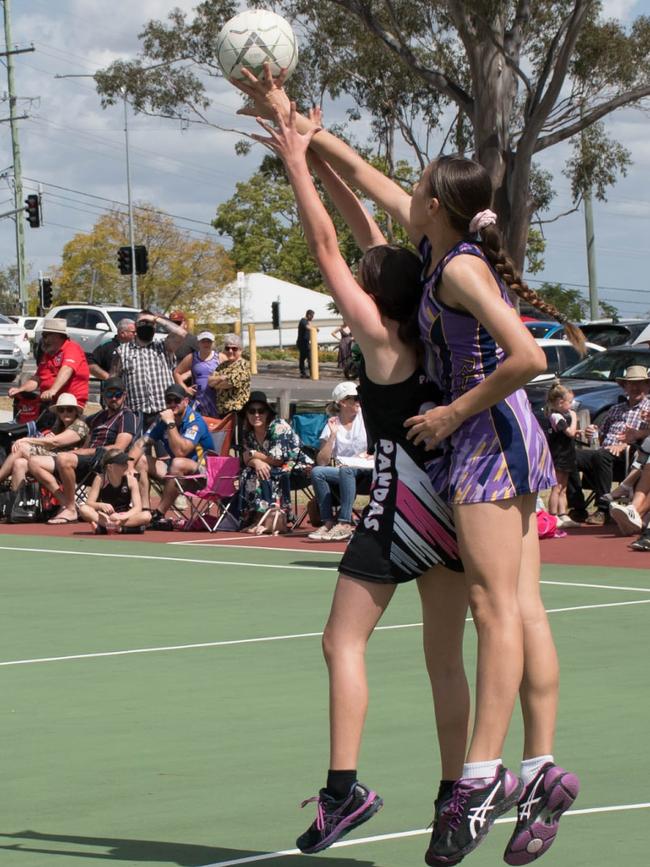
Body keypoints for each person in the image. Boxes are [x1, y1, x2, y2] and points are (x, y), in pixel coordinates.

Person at [240, 71, 581, 864]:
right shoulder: (432, 258)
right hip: (487, 443)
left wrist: (455, 413)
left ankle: (477, 777)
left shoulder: (444, 276)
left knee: (497, 612)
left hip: (473, 442)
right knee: (516, 611)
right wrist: (295, 127)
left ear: (437, 203)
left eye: (420, 182)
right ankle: (534, 764)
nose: (410, 185)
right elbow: (359, 192)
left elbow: (339, 238)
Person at [251, 104, 469, 854]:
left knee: (342, 644)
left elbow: (326, 245)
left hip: (401, 503)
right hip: (453, 502)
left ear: (373, 298)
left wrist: (292, 163)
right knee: (445, 660)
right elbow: (366, 237)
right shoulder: (427, 318)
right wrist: (315, 154)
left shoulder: (380, 345)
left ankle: (344, 793)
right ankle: (453, 796)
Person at [31, 377, 137, 525]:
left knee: (64, 458)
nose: (113, 398)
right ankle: (70, 504)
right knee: (34, 462)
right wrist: (55, 433)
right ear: (103, 396)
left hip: (103, 463)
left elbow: (119, 447)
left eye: (117, 395)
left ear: (124, 395)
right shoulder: (98, 417)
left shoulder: (126, 416)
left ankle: (69, 508)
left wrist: (81, 452)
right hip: (85, 462)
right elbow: (79, 431)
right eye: (109, 395)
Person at [568, 365, 650, 525]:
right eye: (631, 383)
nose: (635, 387)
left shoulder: (649, 408)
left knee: (601, 455)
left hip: (632, 455)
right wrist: (593, 432)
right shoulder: (615, 409)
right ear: (624, 386)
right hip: (604, 450)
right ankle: (578, 507)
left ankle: (603, 509)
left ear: (647, 386)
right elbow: (601, 434)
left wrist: (627, 443)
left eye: (640, 383)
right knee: (570, 455)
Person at [128, 383, 213, 524]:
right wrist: (129, 466)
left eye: (177, 400)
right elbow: (141, 443)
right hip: (175, 473)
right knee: (141, 460)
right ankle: (145, 512)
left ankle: (159, 513)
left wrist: (170, 423)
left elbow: (181, 452)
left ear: (186, 401)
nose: (172, 404)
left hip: (202, 475)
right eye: (169, 401)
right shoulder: (162, 420)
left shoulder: (195, 421)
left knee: (177, 462)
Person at [308, 381, 373, 542]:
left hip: (369, 472)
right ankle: (329, 522)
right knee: (318, 472)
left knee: (346, 470)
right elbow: (322, 462)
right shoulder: (332, 424)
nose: (359, 401)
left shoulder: (367, 417)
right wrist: (332, 436)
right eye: (355, 398)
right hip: (346, 473)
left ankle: (344, 523)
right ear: (343, 402)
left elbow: (381, 444)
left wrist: (370, 453)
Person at [239, 390, 310, 530]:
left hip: (296, 467)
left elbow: (278, 460)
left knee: (264, 472)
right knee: (249, 471)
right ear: (247, 415)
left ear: (268, 413)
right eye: (252, 411)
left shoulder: (278, 426)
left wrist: (254, 455)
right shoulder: (248, 433)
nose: (256, 415)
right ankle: (256, 518)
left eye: (261, 411)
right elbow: (246, 458)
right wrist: (256, 462)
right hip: (271, 468)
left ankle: (265, 520)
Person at [111, 310, 186, 431]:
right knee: (138, 449)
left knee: (165, 450)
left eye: (150, 323)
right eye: (142, 323)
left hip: (163, 411)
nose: (146, 326)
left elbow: (181, 333)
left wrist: (156, 319)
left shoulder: (164, 346)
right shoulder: (122, 351)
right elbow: (113, 380)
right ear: (135, 327)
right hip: (135, 413)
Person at [0, 393, 89, 496]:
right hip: (53, 460)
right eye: (61, 410)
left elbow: (56, 441)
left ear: (76, 412)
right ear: (58, 413)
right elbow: (49, 443)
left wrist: (26, 440)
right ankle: (19, 506)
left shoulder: (80, 425)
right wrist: (46, 438)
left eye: (69, 409)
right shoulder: (58, 426)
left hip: (69, 463)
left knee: (22, 447)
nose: (65, 413)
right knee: (19, 464)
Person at [10, 318, 90, 410]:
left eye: (46, 335)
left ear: (59, 336)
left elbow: (67, 369)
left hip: (70, 405)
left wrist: (53, 390)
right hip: (51, 404)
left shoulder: (71, 348)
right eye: (43, 336)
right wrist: (21, 390)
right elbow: (37, 379)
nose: (44, 339)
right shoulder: (48, 355)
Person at [78, 449, 150, 534]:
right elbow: (89, 503)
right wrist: (100, 505)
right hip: (105, 517)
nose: (126, 465)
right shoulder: (100, 479)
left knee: (146, 516)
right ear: (110, 467)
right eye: (122, 463)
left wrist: (121, 517)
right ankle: (120, 529)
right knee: (83, 509)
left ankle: (107, 527)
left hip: (123, 516)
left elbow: (137, 508)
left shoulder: (132, 481)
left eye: (126, 463)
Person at [543, 382, 580, 529]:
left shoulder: (563, 417)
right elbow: (569, 432)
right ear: (560, 402)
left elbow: (571, 433)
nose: (571, 405)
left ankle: (563, 513)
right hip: (558, 456)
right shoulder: (556, 417)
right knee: (556, 487)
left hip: (567, 454)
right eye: (570, 402)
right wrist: (574, 417)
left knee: (563, 487)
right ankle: (552, 515)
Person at [173, 330, 222, 417]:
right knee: (199, 425)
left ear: (213, 343)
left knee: (216, 427)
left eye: (209, 341)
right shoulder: (192, 357)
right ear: (198, 343)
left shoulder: (220, 357)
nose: (206, 344)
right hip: (198, 401)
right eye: (203, 341)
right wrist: (185, 389)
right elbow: (177, 372)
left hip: (217, 400)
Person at [207, 334, 251, 416]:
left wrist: (216, 382)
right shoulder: (222, 366)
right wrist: (221, 377)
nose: (230, 351)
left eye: (234, 348)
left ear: (240, 350)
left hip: (237, 412)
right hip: (221, 411)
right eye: (227, 348)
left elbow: (226, 384)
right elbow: (209, 382)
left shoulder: (244, 366)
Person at [297, 309, 315, 378]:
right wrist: (314, 329)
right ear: (308, 315)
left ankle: (305, 373)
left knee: (304, 358)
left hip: (306, 342)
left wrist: (312, 327)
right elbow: (307, 327)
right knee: (307, 357)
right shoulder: (303, 321)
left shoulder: (307, 321)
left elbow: (310, 327)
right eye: (312, 316)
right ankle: (307, 373)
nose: (313, 318)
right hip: (303, 343)